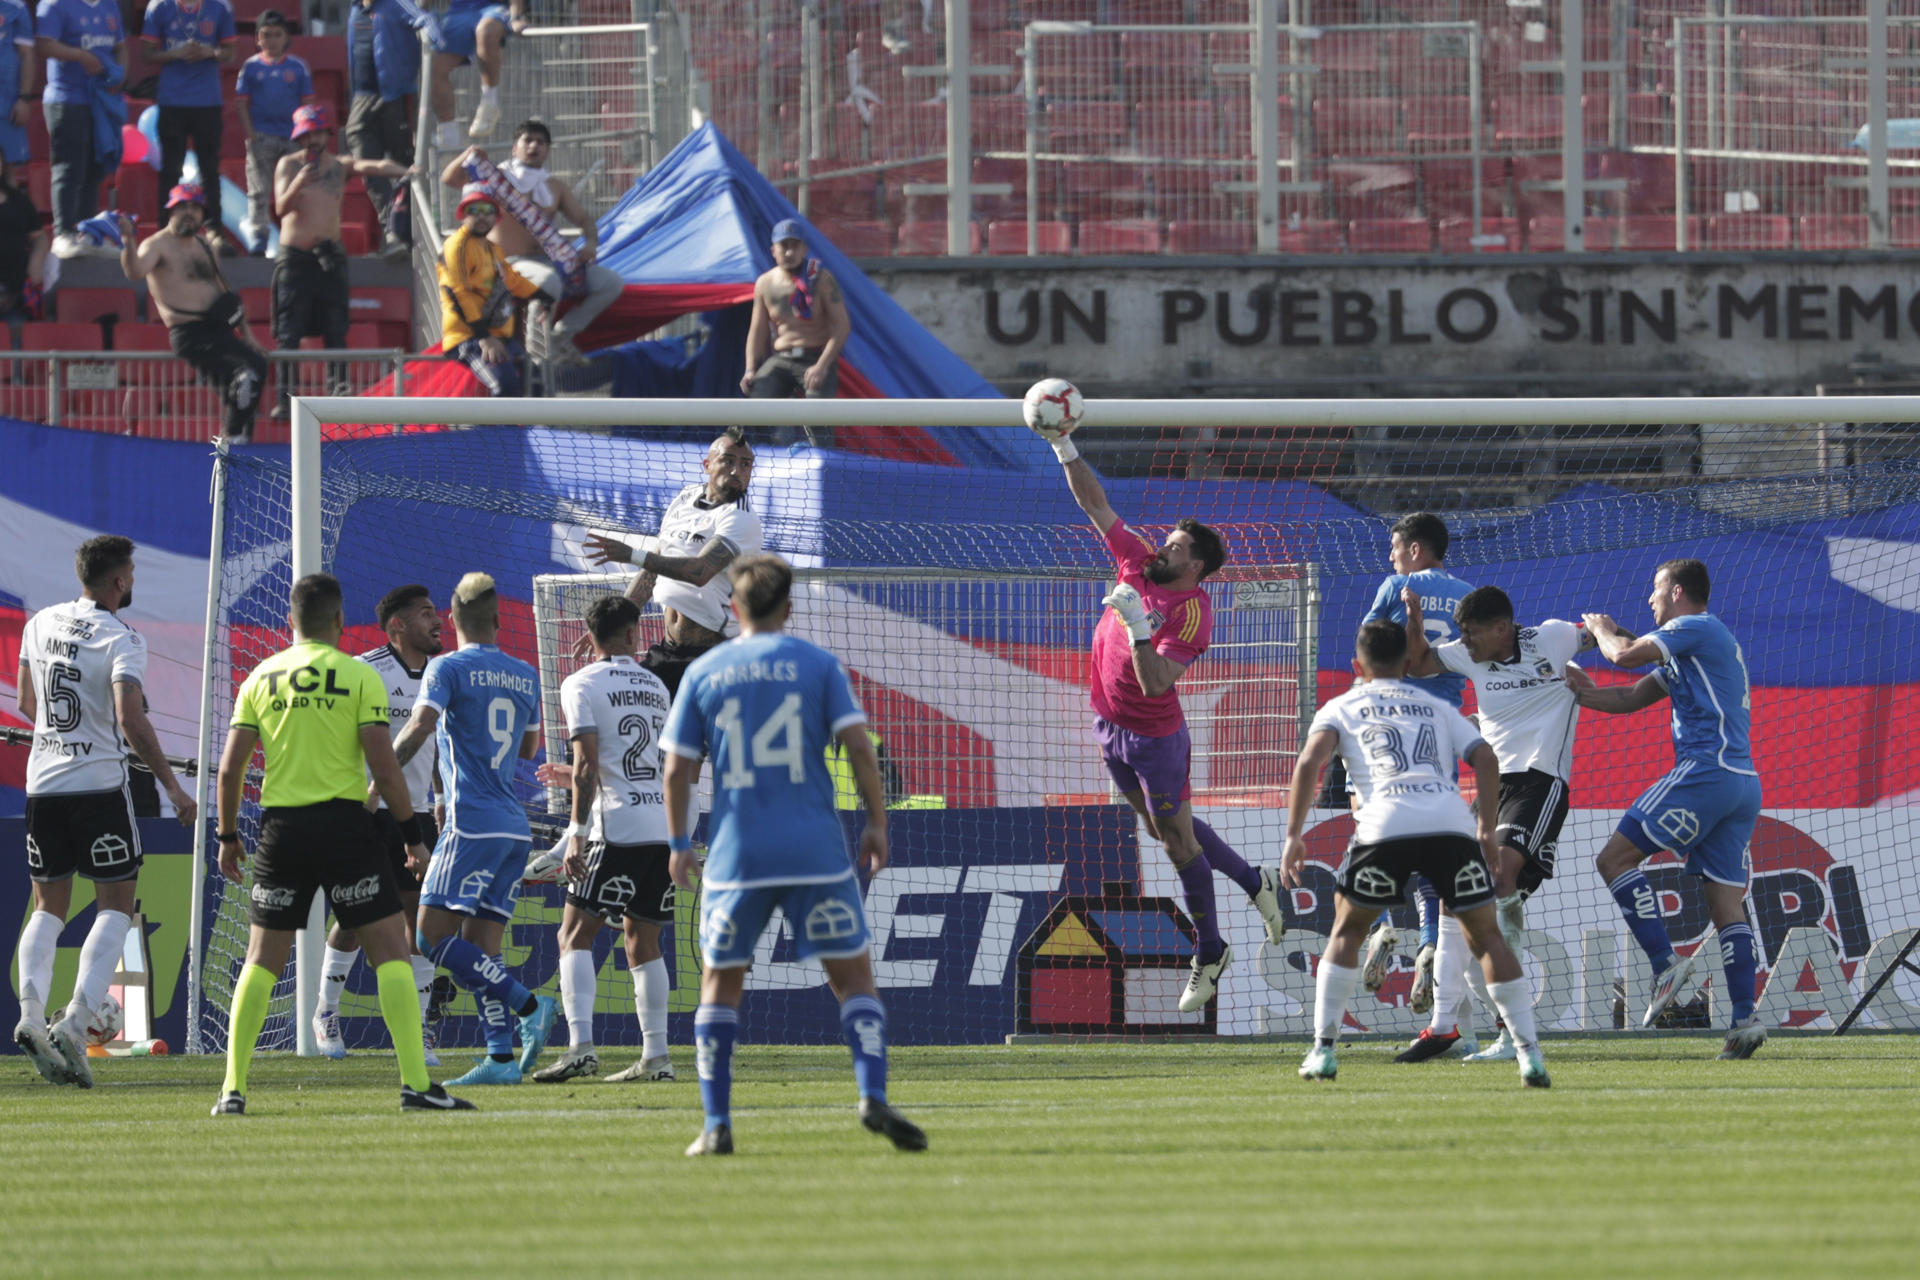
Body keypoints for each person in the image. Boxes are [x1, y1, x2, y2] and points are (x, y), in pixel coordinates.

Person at [661, 553, 927, 1156]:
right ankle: (871, 1093)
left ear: (733, 608)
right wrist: (878, 823)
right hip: (814, 848)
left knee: (719, 983)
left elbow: (677, 767)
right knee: (853, 978)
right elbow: (860, 748)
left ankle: (717, 1123)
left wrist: (679, 843)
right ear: (788, 608)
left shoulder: (706, 672)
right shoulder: (816, 664)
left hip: (737, 853)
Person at [1029, 410, 1283, 1013]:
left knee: (1176, 845)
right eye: (1166, 542)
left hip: (1154, 740)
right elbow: (1097, 506)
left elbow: (1155, 681)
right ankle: (1255, 882)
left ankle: (1210, 950)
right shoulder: (1136, 562)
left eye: (1174, 547)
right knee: (1160, 829)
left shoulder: (1193, 611)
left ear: (1194, 566)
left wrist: (1137, 622)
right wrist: (1064, 445)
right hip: (1107, 727)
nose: (1161, 548)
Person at [210, 573, 470, 1115]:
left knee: (261, 960)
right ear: (337, 622)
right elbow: (384, 765)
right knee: (391, 951)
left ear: (290, 623)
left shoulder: (261, 675)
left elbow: (231, 768)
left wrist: (229, 835)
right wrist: (410, 836)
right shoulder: (357, 677)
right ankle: (416, 1083)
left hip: (281, 832)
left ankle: (232, 1089)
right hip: (346, 829)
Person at [1282, 619, 1549, 1088]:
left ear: (1356, 666)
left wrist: (1295, 834)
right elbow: (1485, 757)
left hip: (1384, 826)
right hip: (1449, 824)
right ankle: (1530, 1057)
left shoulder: (1341, 706)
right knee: (1488, 938)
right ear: (1409, 664)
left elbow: (1310, 761)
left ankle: (1323, 1052)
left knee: (1345, 932)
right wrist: (1486, 828)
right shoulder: (1435, 704)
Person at [11, 535, 196, 1087]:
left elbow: (26, 703)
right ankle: (77, 1019)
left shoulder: (39, 622)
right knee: (115, 903)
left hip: (43, 785)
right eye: (132, 574)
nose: (132, 582)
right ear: (119, 581)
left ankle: (28, 1015)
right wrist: (174, 788)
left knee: (48, 905)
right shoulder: (122, 637)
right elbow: (130, 718)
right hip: (98, 787)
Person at [1566, 558, 1767, 1060]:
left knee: (1613, 859)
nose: (1649, 599)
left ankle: (1664, 967)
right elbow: (1631, 696)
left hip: (1707, 771)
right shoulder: (1694, 647)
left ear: (1677, 592)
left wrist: (1601, 630)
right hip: (1742, 781)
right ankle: (1744, 1021)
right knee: (1725, 904)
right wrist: (1578, 694)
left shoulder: (1692, 626)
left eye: (1655, 590)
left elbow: (1625, 656)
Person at [1395, 584, 1595, 1063]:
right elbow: (1417, 663)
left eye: (1473, 633)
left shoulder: (1552, 639)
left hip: (1539, 784)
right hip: (1492, 788)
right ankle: (1447, 1028)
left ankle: (1506, 1034)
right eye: (1461, 634)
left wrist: (1621, 654)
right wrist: (1415, 617)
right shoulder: (1468, 656)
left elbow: (1605, 635)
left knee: (1497, 879)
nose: (1465, 642)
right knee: (1454, 893)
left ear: (1503, 628)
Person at [390, 572, 559, 1085]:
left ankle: (529, 1005)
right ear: (497, 619)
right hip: (513, 827)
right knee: (482, 948)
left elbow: (420, 726)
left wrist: (379, 779)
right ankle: (501, 1059)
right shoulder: (526, 673)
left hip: (472, 824)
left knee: (428, 936)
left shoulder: (446, 667)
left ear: (452, 618)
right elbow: (529, 751)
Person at [530, 595, 678, 1084]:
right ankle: (656, 1057)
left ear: (586, 637)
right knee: (644, 940)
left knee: (574, 934)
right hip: (661, 828)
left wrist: (573, 834)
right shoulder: (657, 686)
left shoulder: (580, 683)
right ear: (636, 633)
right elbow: (643, 762)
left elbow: (593, 764)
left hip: (614, 829)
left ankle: (580, 1049)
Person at [311, 584, 445, 1064]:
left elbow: (430, 744)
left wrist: (442, 795)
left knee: (420, 921)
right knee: (353, 918)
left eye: (439, 613)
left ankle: (419, 1028)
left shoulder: (439, 674)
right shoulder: (365, 671)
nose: (438, 621)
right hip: (366, 813)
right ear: (397, 626)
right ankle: (325, 1012)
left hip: (418, 814)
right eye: (427, 614)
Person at [1354, 511, 1475, 1015]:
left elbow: (1371, 650)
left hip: (1393, 720)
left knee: (1372, 830)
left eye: (1395, 547)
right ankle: (1430, 942)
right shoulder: (1469, 596)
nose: (1391, 556)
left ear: (1416, 550)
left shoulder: (1397, 586)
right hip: (1443, 731)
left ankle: (1384, 926)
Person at [580, 427, 764, 698]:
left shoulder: (741, 518)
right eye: (728, 460)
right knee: (628, 705)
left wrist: (631, 554)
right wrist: (613, 625)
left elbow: (699, 571)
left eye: (746, 464)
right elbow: (652, 569)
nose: (737, 470)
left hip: (713, 655)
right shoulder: (685, 498)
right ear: (707, 464)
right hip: (670, 650)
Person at [270, 103, 414, 416]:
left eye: (318, 134)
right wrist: (300, 182)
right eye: (307, 136)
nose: (313, 141)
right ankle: (285, 399)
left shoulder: (339, 164)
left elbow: (373, 167)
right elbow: (281, 208)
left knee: (336, 326)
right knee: (288, 331)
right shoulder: (288, 165)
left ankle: (339, 390)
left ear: (326, 135)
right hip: (295, 257)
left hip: (330, 255)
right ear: (299, 139)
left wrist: (407, 172)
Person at [440, 124, 623, 363]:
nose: (534, 146)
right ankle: (538, 356)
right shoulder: (496, 179)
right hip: (509, 263)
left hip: (550, 261)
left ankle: (559, 338)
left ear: (547, 150)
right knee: (550, 284)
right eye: (528, 140)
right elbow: (449, 178)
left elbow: (584, 219)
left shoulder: (555, 187)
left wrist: (590, 243)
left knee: (611, 283)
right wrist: (467, 154)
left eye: (540, 142)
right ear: (515, 148)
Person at [119, 183, 267, 440]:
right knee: (249, 372)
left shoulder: (204, 244)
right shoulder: (156, 245)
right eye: (183, 207)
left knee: (241, 391)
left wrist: (247, 334)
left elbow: (224, 290)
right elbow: (134, 271)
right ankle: (233, 438)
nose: (190, 213)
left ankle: (240, 448)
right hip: (192, 334)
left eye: (195, 208)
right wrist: (128, 241)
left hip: (220, 329)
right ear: (170, 212)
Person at [36, 0, 126, 257]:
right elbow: (43, 44)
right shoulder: (55, 4)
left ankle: (87, 233)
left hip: (101, 100)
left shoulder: (110, 5)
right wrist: (80, 55)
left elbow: (120, 48)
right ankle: (63, 234)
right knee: (68, 168)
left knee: (95, 169)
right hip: (67, 99)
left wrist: (120, 74)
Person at [346, 0, 433, 259]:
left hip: (396, 95)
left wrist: (436, 44)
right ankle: (392, 230)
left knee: (406, 164)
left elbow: (426, 20)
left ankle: (413, 231)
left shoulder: (398, 4)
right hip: (362, 96)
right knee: (369, 168)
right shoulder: (354, 9)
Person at [438, 182, 541, 396]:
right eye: (474, 210)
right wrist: (483, 337)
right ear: (463, 214)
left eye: (488, 210)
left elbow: (513, 281)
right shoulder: (456, 245)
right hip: (468, 337)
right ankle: (493, 431)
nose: (482, 216)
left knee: (536, 382)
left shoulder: (492, 249)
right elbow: (456, 294)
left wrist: (543, 298)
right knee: (503, 386)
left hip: (498, 336)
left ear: (496, 217)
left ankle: (532, 430)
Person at [140, 0, 235, 213]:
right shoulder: (159, 6)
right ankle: (166, 226)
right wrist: (175, 53)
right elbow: (146, 54)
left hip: (208, 100)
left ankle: (213, 230)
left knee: (209, 168)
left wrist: (208, 52)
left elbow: (230, 53)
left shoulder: (220, 6)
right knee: (170, 169)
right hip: (172, 100)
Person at [741, 220, 851, 400]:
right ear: (773, 251)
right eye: (784, 246)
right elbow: (757, 331)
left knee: (816, 418)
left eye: (795, 246)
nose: (790, 252)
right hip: (782, 358)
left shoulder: (821, 279)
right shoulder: (765, 283)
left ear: (804, 250)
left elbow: (842, 326)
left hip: (815, 357)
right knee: (757, 404)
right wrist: (750, 369)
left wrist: (822, 366)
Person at [233, 9, 311, 254]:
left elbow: (308, 103)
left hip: (292, 139)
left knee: (296, 190)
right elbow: (240, 103)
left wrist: (304, 137)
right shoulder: (250, 67)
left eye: (277, 35)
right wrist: (250, 134)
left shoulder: (299, 67)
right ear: (257, 38)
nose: (272, 40)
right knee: (258, 190)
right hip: (261, 137)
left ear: (286, 37)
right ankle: (259, 237)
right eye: (266, 35)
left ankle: (298, 238)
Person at [427, 0, 526, 146]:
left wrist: (516, 17)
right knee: (434, 68)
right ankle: (448, 136)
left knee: (486, 30)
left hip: (494, 9)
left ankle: (490, 102)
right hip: (458, 11)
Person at [0, 152, 51, 340]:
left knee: (16, 356)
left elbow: (40, 238)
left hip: (15, 296)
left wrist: (36, 261)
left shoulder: (19, 202)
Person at [0, 0, 37, 167]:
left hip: (6, 103)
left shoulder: (15, 6)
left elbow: (26, 55)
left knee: (7, 168)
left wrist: (23, 98)